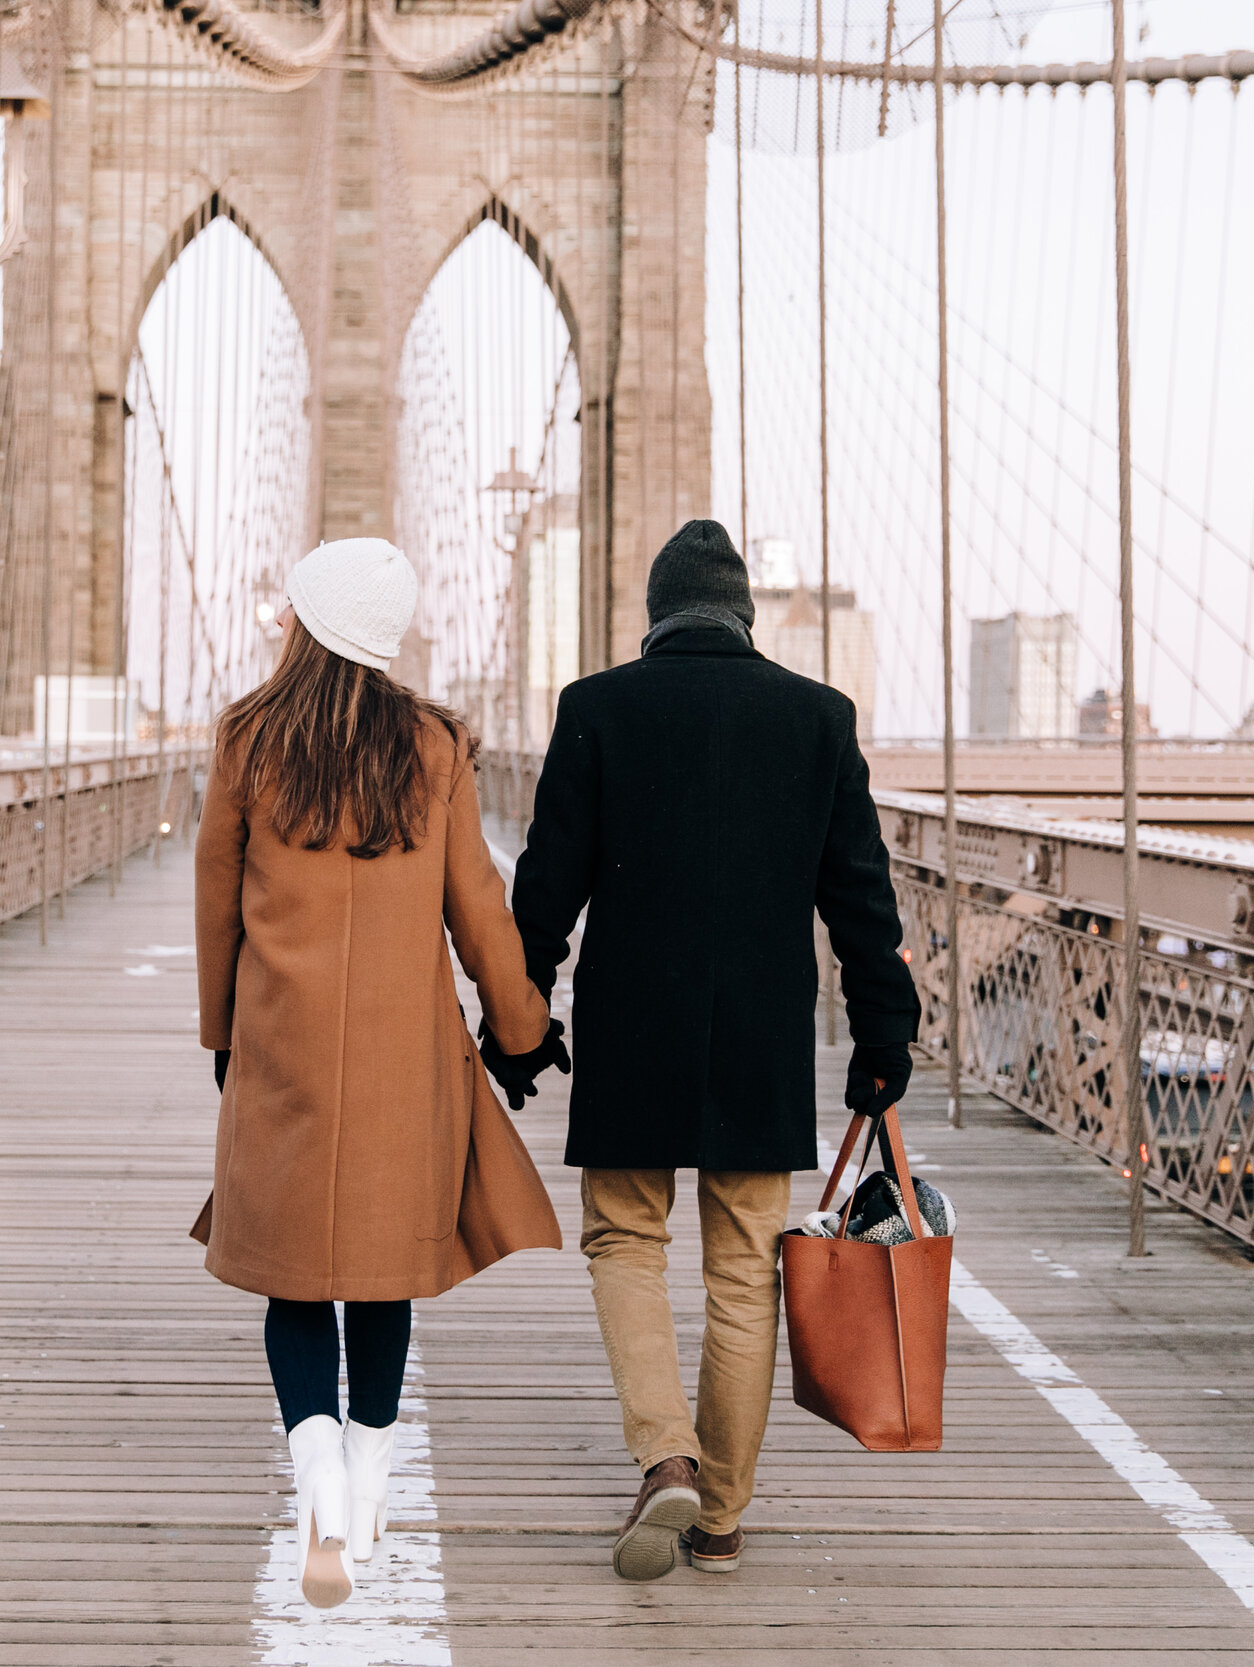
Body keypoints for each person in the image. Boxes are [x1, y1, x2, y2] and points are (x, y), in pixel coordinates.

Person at [495, 518, 920, 1582]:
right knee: (743, 1269)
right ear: (742, 612)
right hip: (760, 1037)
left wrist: (519, 1016)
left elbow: (545, 888)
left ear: (654, 616)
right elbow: (860, 901)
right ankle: (719, 1517)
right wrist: (884, 1031)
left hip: (634, 1024)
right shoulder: (817, 718)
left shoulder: (596, 710)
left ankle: (664, 1452)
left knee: (626, 1243)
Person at [191, 536, 571, 1610]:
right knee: (381, 1268)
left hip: (280, 1049)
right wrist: (519, 1025)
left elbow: (216, 903)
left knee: (293, 1271)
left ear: (306, 623)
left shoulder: (246, 741)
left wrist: (223, 1031)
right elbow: (477, 908)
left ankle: (315, 1484)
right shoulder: (437, 745)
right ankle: (364, 1484)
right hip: (408, 1059)